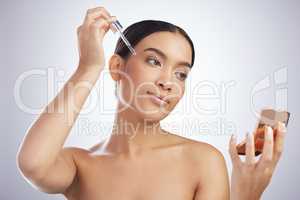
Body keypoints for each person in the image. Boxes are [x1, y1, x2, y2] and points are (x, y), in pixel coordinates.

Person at [16, 6, 287, 200]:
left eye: (181, 74)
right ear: (116, 66)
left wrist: (246, 197)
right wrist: (88, 67)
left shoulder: (202, 161)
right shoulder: (79, 165)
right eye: (154, 61)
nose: (167, 81)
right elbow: (33, 164)